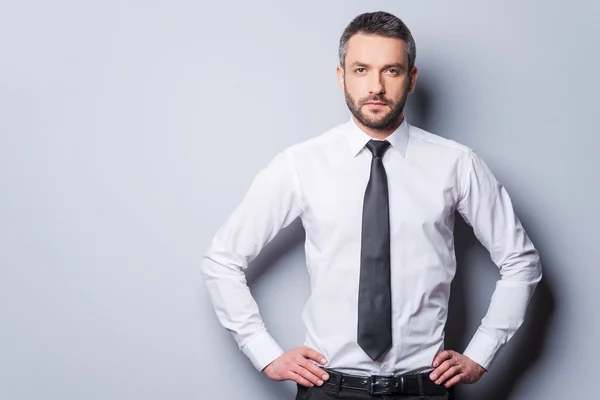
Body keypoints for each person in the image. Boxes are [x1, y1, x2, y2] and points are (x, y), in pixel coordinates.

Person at [200, 10, 542, 400]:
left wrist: (482, 352)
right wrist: (265, 353)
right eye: (361, 69)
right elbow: (222, 261)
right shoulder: (301, 164)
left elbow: (521, 261)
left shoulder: (456, 164)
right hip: (328, 389)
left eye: (391, 70)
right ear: (341, 75)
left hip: (422, 390)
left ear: (411, 79)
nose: (375, 86)